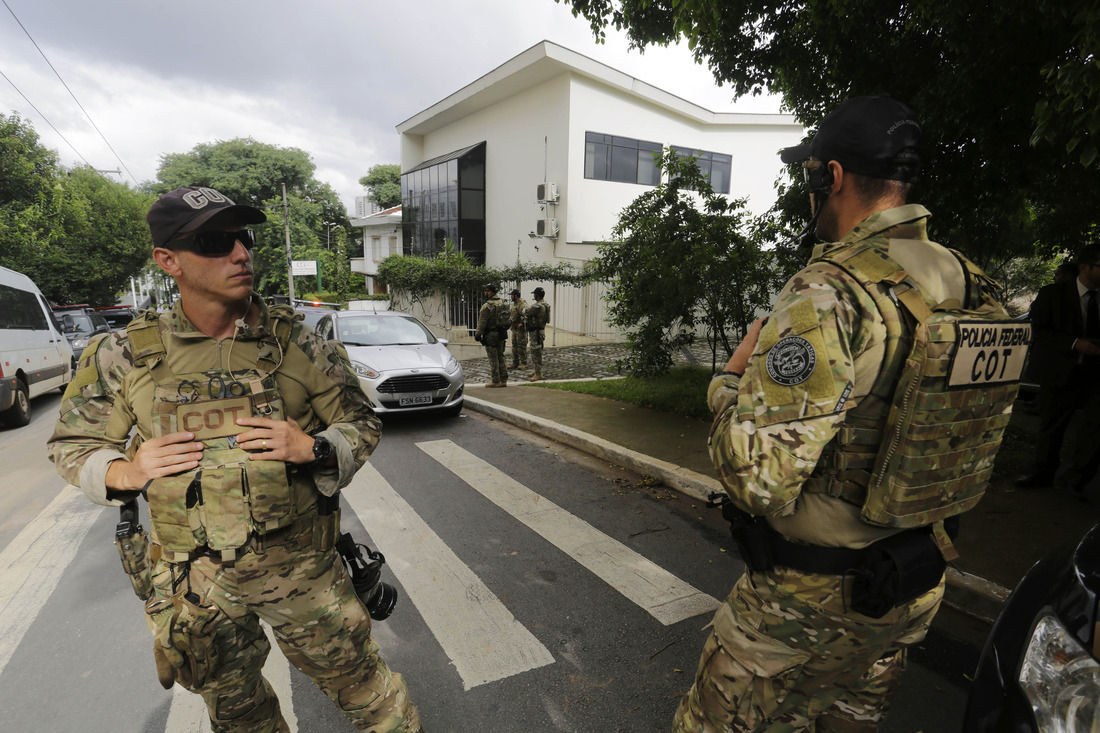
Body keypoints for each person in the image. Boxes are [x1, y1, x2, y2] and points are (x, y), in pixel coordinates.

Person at [673, 97, 1020, 732]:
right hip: (912, 585)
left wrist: (726, 382)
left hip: (809, 602)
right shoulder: (975, 284)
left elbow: (758, 478)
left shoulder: (829, 290)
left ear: (829, 177)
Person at [48, 186, 422, 733]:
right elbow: (70, 444)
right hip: (195, 581)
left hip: (301, 568)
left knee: (375, 702)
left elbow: (363, 421)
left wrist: (315, 447)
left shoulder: (298, 342)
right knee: (240, 716)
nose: (241, 253)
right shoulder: (121, 354)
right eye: (216, 242)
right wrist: (125, 470)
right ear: (168, 261)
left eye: (244, 238)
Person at [1016, 244, 1100, 498]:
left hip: (1096, 375)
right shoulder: (1053, 294)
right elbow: (1039, 331)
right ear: (1085, 267)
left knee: (1094, 430)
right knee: (1052, 426)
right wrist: (1075, 344)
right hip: (1062, 370)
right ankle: (1042, 474)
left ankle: (1077, 481)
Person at [475, 282, 508, 387]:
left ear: (492, 292)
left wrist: (478, 334)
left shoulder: (487, 306)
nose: (485, 292)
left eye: (487, 291)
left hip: (491, 335)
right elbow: (509, 319)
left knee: (493, 359)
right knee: (501, 357)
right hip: (502, 333)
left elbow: (482, 322)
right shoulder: (504, 303)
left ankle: (495, 380)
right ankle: (504, 380)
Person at [525, 287, 550, 382]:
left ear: (537, 295)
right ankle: (536, 370)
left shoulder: (537, 306)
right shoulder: (545, 304)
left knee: (536, 352)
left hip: (535, 332)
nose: (533, 296)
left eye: (534, 294)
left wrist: (525, 310)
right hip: (540, 330)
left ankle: (538, 374)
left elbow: (527, 312)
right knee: (536, 351)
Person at [508, 288, 529, 370]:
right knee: (514, 346)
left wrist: (522, 323)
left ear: (516, 296)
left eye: (512, 295)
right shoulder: (515, 304)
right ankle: (515, 362)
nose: (511, 297)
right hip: (515, 329)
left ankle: (524, 363)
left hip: (521, 330)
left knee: (521, 346)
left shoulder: (523, 304)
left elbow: (527, 315)